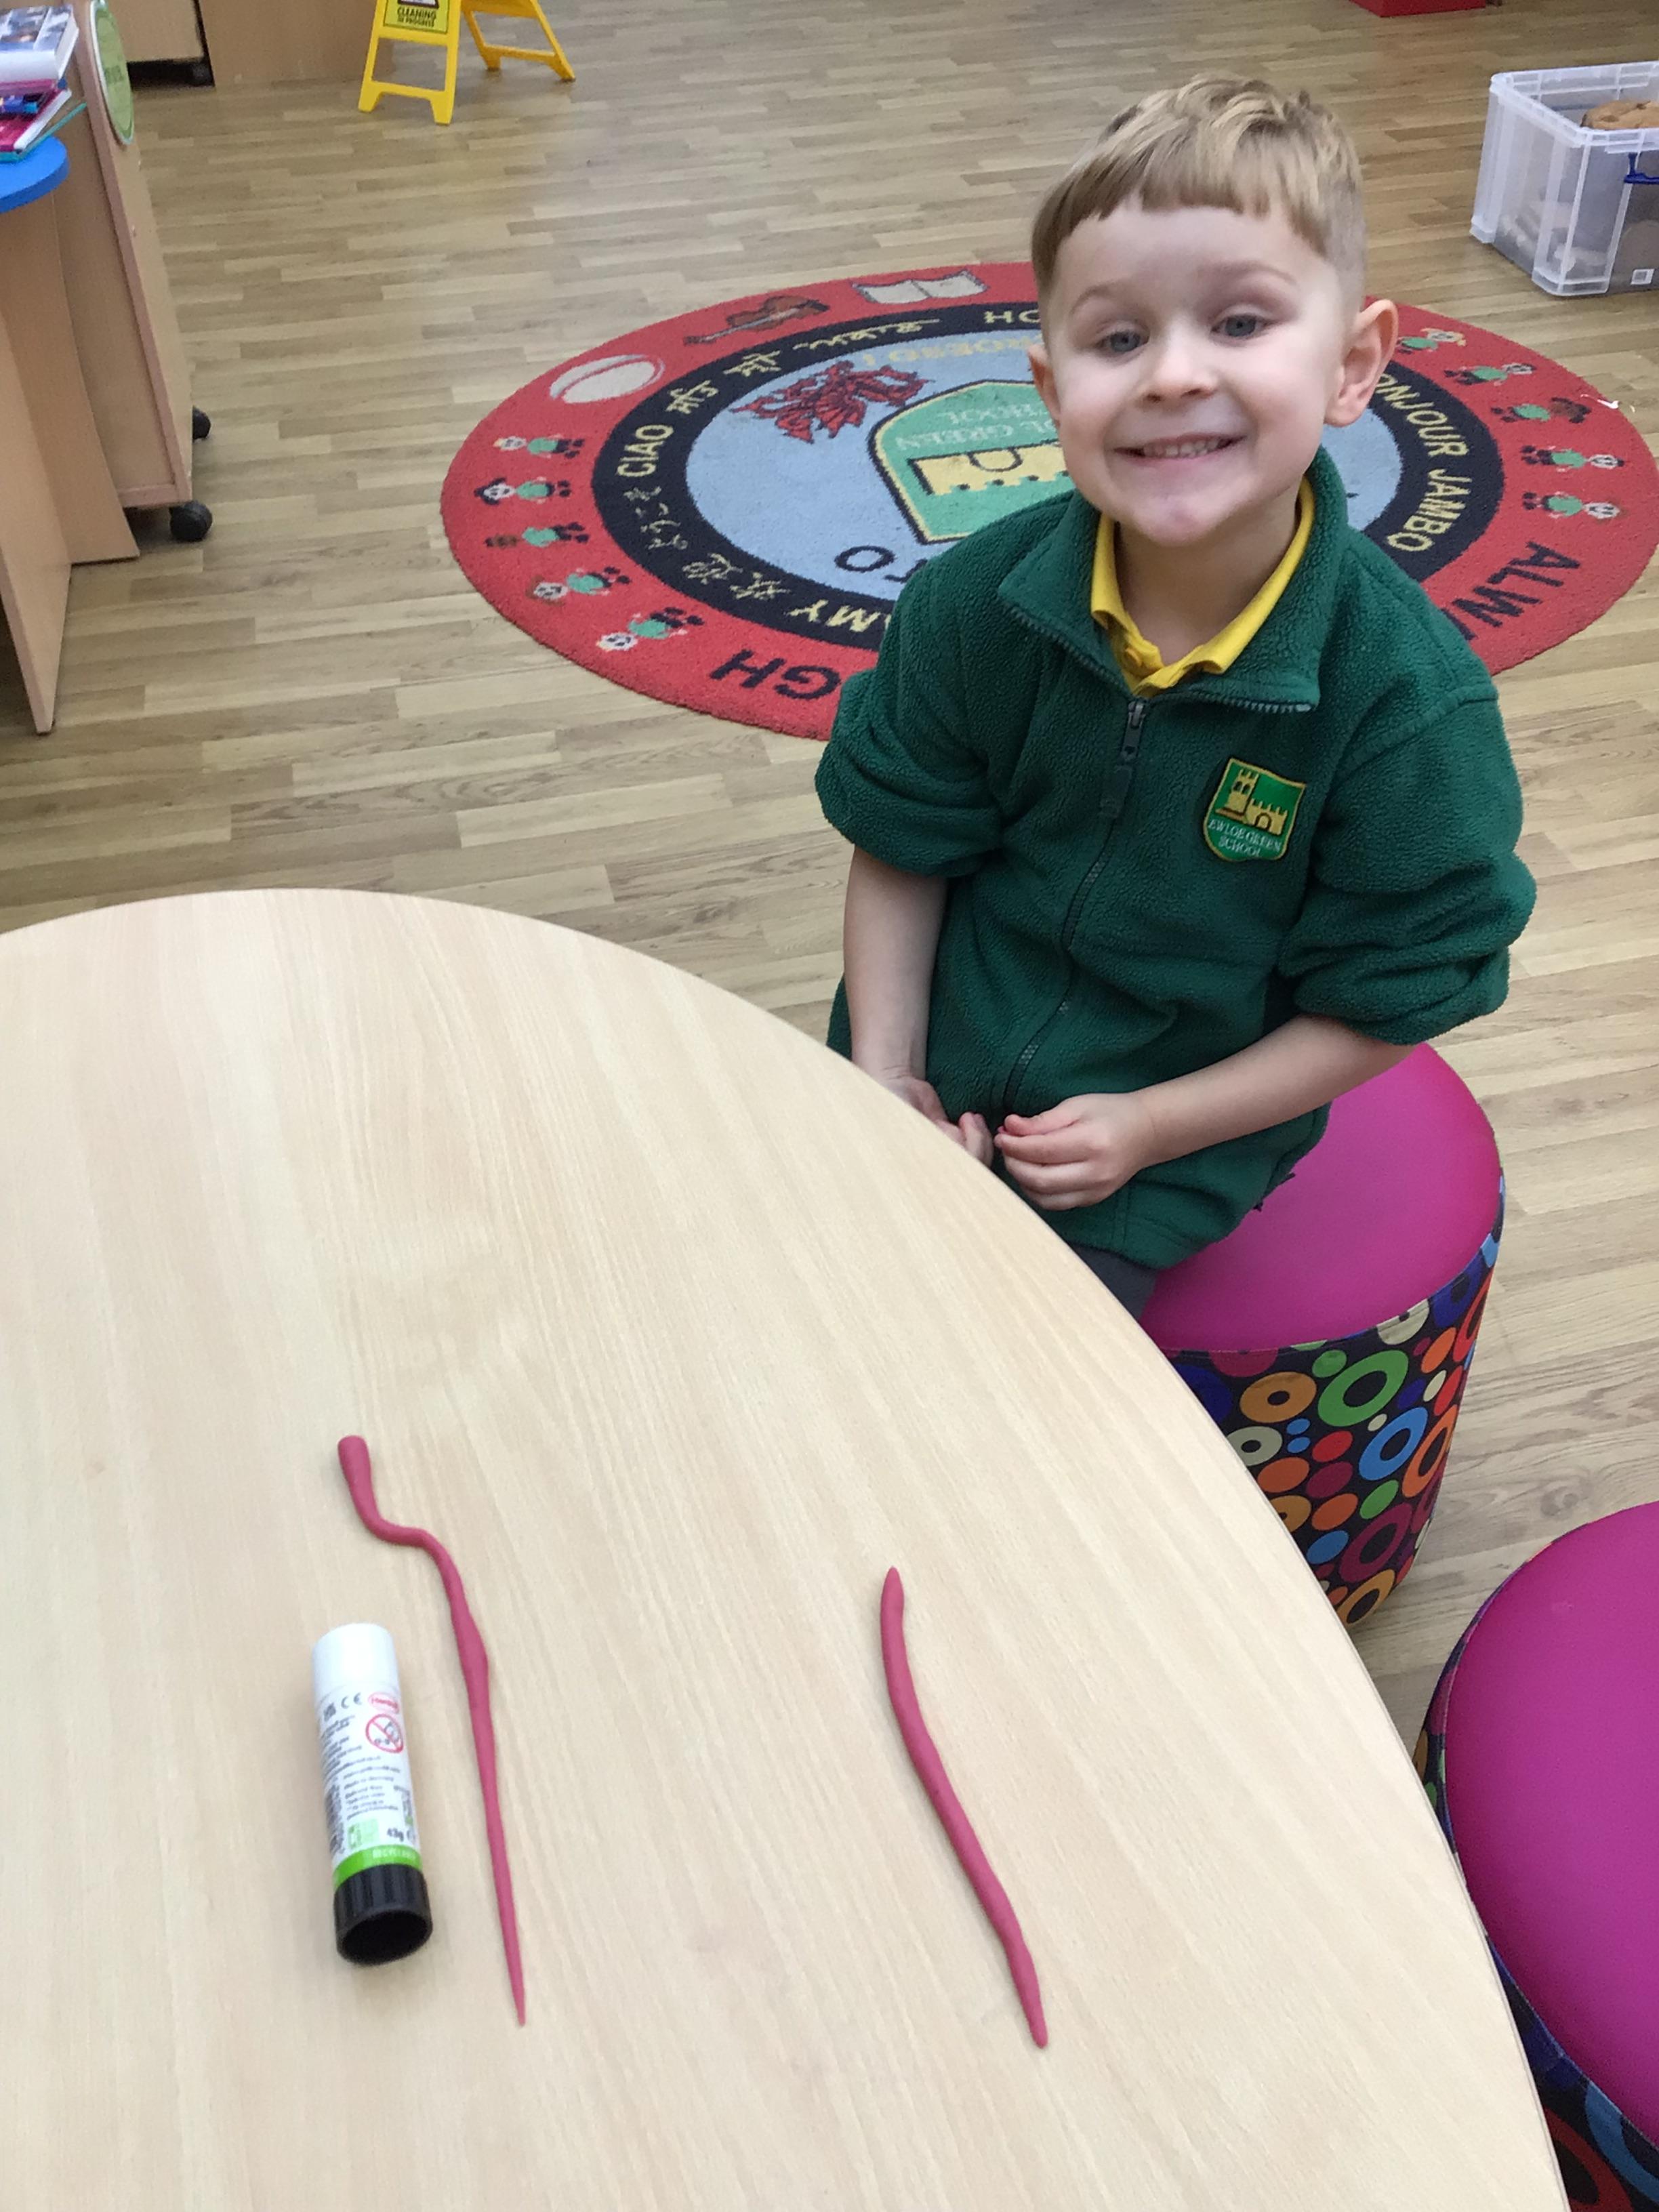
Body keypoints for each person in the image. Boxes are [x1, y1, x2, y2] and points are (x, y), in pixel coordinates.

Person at [815, 74, 1534, 1319]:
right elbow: (903, 841)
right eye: (1117, 340)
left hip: (1168, 1147)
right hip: (924, 1058)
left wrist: (1152, 1126)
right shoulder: (973, 604)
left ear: (1353, 365)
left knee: (997, 1352)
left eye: (1241, 322)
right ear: (1052, 392)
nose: (1171, 375)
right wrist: (883, 1077)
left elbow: (1396, 992)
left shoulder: (1408, 705)